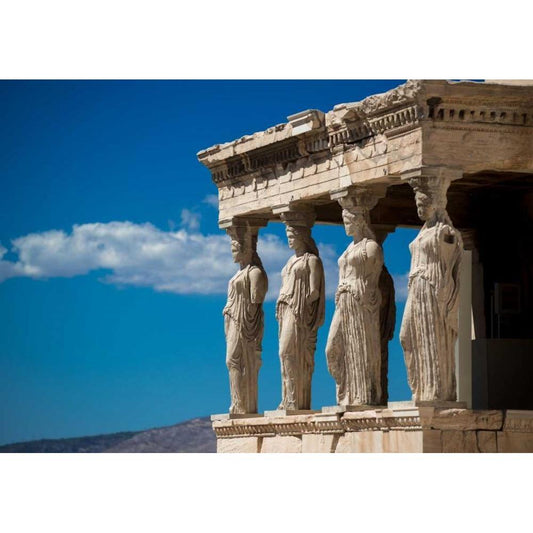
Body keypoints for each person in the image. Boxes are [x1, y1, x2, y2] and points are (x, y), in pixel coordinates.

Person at [400, 177, 462, 402]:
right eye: (418, 203)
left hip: (433, 288)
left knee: (433, 338)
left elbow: (452, 260)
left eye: (423, 203)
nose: (419, 207)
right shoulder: (423, 231)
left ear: (436, 203)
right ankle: (421, 388)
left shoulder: (444, 231)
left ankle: (437, 391)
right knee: (406, 336)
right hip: (417, 287)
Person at [326, 202, 383, 406]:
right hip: (343, 301)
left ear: (359, 221)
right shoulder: (349, 248)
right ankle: (346, 391)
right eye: (344, 221)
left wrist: (364, 298)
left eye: (348, 221)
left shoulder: (371, 247)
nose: (346, 226)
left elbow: (374, 280)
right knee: (332, 348)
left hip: (360, 302)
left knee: (361, 347)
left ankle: (363, 395)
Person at [276, 219, 325, 410]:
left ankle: (296, 399)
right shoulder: (290, 261)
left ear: (302, 237)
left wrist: (300, 306)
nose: (289, 240)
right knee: (284, 354)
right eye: (288, 236)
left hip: (299, 311)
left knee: (288, 351)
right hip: (285, 309)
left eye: (292, 236)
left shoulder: (312, 260)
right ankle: (288, 398)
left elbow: (314, 292)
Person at [223, 225, 268, 414]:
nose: (232, 253)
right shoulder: (238, 274)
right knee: (232, 361)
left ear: (244, 249)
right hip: (233, 320)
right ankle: (237, 403)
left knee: (236, 360)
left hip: (244, 322)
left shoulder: (255, 272)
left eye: (235, 249)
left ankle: (244, 405)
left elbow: (256, 301)